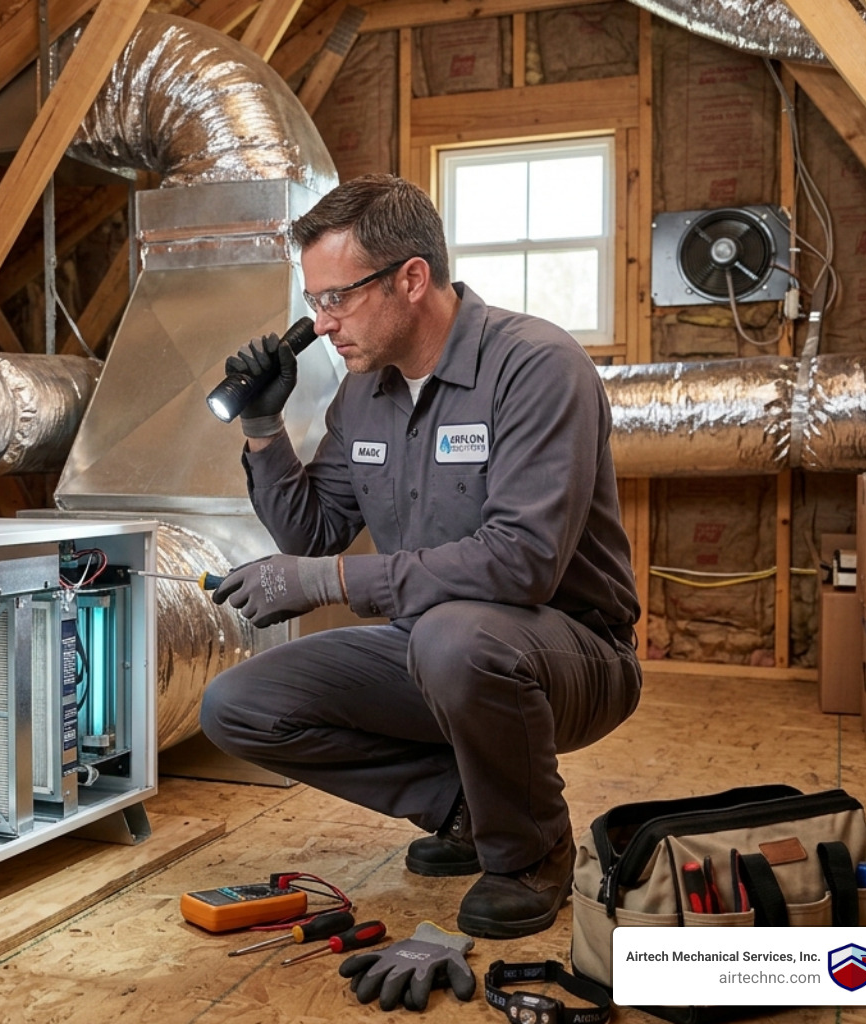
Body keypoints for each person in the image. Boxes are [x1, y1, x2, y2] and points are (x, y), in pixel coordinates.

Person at [198, 173, 643, 941]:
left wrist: (328, 582)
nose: (324, 325)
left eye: (336, 298)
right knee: (237, 707)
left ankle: (530, 849)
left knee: (454, 637)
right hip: (431, 647)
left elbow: (522, 563)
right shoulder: (364, 396)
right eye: (314, 304)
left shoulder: (535, 367)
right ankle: (469, 808)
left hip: (572, 654)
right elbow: (312, 534)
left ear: (410, 279)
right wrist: (264, 430)